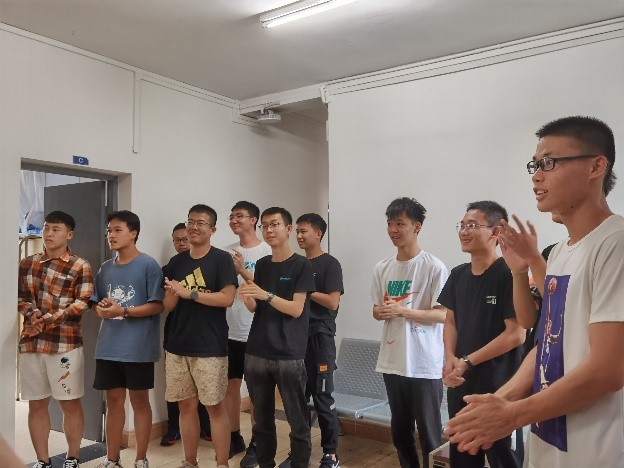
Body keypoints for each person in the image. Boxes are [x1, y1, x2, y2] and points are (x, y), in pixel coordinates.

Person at [445, 116, 624, 468]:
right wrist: (501, 401)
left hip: (595, 450)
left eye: (550, 163)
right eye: (535, 165)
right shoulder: (559, 254)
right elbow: (547, 344)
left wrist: (512, 415)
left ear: (596, 167)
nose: (536, 176)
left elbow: (609, 369)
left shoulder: (615, 244)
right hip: (548, 441)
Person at [439, 201, 525, 468]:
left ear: (496, 232)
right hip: (462, 384)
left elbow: (516, 334)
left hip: (499, 388)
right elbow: (450, 321)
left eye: (472, 225)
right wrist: (450, 358)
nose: (464, 231)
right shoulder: (457, 274)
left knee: (503, 457)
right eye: (462, 225)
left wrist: (467, 361)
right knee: (462, 454)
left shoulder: (509, 274)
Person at [371, 198, 448, 468]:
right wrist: (381, 312)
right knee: (400, 431)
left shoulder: (433, 267)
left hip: (424, 364)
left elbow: (442, 315)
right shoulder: (382, 267)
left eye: (399, 224)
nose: (393, 230)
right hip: (392, 361)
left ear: (417, 227)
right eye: (389, 224)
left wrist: (403, 311)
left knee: (430, 433)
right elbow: (376, 309)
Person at [239, 207, 316, 468]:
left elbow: (296, 309)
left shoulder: (302, 265)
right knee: (261, 422)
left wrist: (266, 295)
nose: (269, 230)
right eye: (265, 226)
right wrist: (250, 300)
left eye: (274, 224)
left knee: (298, 421)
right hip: (257, 351)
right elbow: (259, 307)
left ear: (288, 229)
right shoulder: (262, 265)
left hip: (288, 354)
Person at [162, 204, 238, 468]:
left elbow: (227, 298)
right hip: (177, 345)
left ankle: (222, 463)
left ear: (212, 229)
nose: (194, 227)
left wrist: (190, 293)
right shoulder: (176, 262)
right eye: (190, 222)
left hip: (210, 346)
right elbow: (168, 306)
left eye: (201, 223)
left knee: (215, 408)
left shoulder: (221, 259)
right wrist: (172, 294)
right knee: (186, 407)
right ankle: (189, 461)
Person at [18, 211, 94, 468]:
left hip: (65, 345)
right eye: (46, 228)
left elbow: (83, 302)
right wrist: (33, 313)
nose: (48, 233)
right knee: (36, 404)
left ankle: (73, 457)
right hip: (32, 343)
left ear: (69, 234)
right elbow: (20, 297)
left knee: (69, 403)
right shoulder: (27, 263)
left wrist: (50, 318)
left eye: (56, 229)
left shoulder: (80, 265)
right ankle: (43, 460)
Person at [92, 210, 164, 468]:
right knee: (113, 402)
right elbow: (97, 303)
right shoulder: (105, 268)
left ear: (133, 233)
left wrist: (122, 311)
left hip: (138, 348)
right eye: (109, 230)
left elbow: (157, 305)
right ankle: (112, 459)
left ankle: (141, 459)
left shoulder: (148, 265)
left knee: (139, 401)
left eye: (117, 230)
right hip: (108, 347)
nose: (111, 235)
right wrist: (100, 310)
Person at [293, 213, 344, 468]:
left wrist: (306, 290)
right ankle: (299, 452)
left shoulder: (330, 264)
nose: (299, 236)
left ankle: (330, 454)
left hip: (321, 338)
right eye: (297, 232)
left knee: (322, 397)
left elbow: (333, 302)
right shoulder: (296, 264)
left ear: (318, 234)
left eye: (303, 231)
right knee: (298, 399)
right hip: (296, 338)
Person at [223, 201, 271, 466]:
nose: (234, 221)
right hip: (229, 331)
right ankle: (234, 436)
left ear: (253, 220)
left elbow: (268, 290)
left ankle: (257, 441)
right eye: (231, 217)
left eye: (239, 216)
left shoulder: (267, 251)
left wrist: (243, 270)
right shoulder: (226, 252)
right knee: (231, 386)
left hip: (257, 332)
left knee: (256, 391)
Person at [160, 223, 211, 446]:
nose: (181, 243)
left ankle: (206, 427)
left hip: (204, 333)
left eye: (185, 239)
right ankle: (174, 429)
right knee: (176, 387)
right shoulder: (170, 267)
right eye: (177, 240)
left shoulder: (210, 264)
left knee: (204, 385)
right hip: (175, 331)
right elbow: (163, 301)